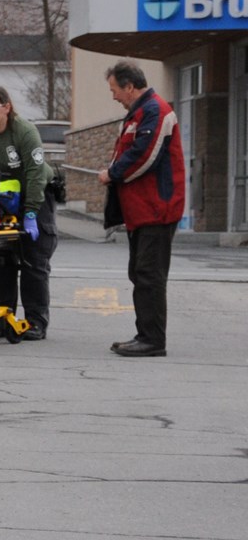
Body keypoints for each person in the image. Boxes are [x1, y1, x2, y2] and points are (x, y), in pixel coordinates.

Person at [98, 61, 184, 358]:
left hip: (157, 209)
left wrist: (112, 173)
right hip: (141, 212)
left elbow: (144, 156)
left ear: (129, 87)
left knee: (149, 275)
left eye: (114, 90)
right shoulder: (139, 113)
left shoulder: (156, 111)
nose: (114, 96)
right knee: (140, 273)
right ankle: (144, 334)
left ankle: (152, 340)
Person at [0, 85, 58, 341]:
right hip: (2, 201)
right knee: (1, 258)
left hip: (34, 195)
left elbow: (35, 173)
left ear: (6, 107)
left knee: (33, 260)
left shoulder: (24, 132)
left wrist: (30, 213)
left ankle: (35, 322)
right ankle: (0, 317)